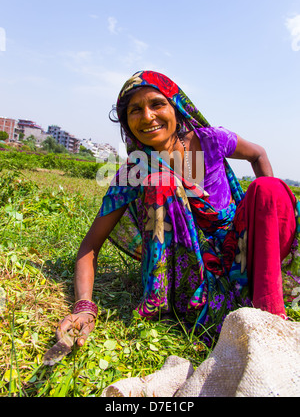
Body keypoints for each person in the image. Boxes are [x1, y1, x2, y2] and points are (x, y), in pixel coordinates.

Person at [57, 70, 299, 347]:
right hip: (194, 277)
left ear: (176, 107)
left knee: (269, 188)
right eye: (135, 110)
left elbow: (258, 154)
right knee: (161, 183)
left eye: (157, 104)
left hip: (243, 253)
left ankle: (269, 309)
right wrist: (84, 306)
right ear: (126, 122)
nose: (147, 116)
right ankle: (193, 304)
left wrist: (261, 215)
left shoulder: (210, 141)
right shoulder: (136, 171)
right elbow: (89, 247)